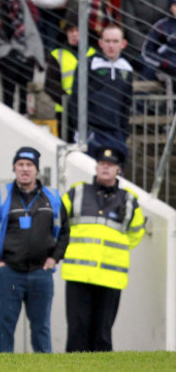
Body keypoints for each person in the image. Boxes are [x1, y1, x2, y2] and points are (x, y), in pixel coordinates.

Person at [0, 147, 69, 353]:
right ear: (14, 168)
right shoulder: (0, 195)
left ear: (37, 170)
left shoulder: (52, 197)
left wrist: (54, 259)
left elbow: (64, 232)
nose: (25, 169)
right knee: (4, 327)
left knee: (41, 328)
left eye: (29, 165)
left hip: (41, 273)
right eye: (20, 165)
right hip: (9, 273)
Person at [61, 146, 145, 352]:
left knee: (102, 336)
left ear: (119, 170)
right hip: (78, 276)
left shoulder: (129, 200)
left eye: (111, 165)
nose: (105, 168)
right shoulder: (77, 193)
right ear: (96, 167)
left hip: (110, 277)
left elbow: (135, 234)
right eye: (102, 164)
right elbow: (58, 225)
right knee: (76, 334)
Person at [68, 25, 134, 156]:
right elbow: (75, 98)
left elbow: (126, 103)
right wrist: (80, 128)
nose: (111, 45)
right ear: (100, 43)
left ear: (123, 44)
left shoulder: (127, 68)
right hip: (92, 131)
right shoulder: (88, 64)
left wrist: (124, 132)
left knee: (115, 171)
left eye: (115, 41)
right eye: (107, 41)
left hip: (116, 132)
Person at [45, 20, 96, 141]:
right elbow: (50, 84)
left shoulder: (95, 55)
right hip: (65, 111)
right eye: (70, 31)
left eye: (77, 30)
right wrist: (70, 102)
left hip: (90, 111)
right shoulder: (57, 54)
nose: (74, 34)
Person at [141, 0, 176, 82]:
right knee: (148, 71)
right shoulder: (162, 26)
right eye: (175, 5)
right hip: (165, 70)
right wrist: (164, 63)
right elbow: (147, 51)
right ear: (170, 7)